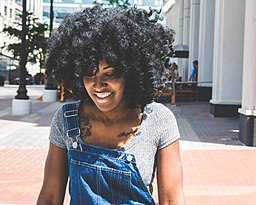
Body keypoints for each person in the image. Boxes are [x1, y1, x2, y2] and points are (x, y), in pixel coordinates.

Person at [37, 6, 185, 205]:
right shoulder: (66, 119)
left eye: (110, 73)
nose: (98, 84)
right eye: (89, 73)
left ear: (131, 73)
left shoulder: (158, 119)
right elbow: (50, 198)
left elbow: (171, 200)